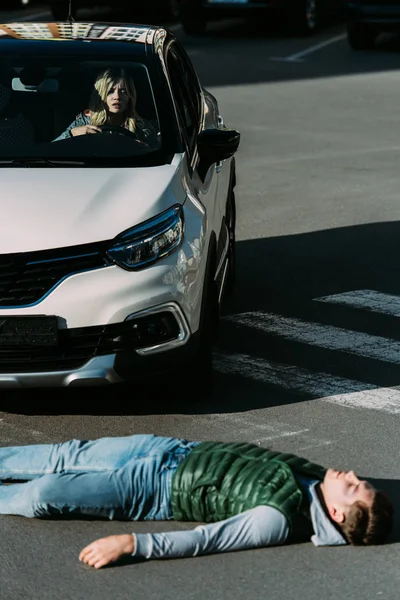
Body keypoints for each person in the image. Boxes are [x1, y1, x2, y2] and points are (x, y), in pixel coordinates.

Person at [0, 434, 393, 569]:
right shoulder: (316, 479)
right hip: (170, 449)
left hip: (151, 491)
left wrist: (132, 543)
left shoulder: (280, 520)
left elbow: (208, 539)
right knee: (62, 454)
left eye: (354, 487)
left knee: (44, 493)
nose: (352, 475)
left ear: (337, 512)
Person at [53, 67, 159, 147]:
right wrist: (71, 134)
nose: (117, 97)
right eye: (110, 92)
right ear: (100, 95)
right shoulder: (85, 120)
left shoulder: (140, 126)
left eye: (123, 92)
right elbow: (53, 148)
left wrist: (142, 148)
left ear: (130, 97)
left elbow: (156, 154)